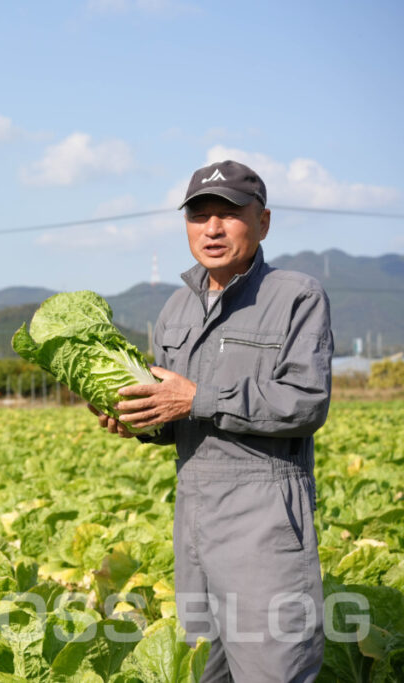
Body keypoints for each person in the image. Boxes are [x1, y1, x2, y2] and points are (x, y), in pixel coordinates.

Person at [91, 160, 332, 682]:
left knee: (274, 668)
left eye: (229, 214)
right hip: (193, 513)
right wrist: (140, 419)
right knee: (202, 670)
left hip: (263, 518)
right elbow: (177, 416)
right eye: (200, 216)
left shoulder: (296, 295)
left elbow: (306, 402)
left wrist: (196, 397)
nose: (213, 229)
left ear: (263, 221)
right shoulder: (176, 309)